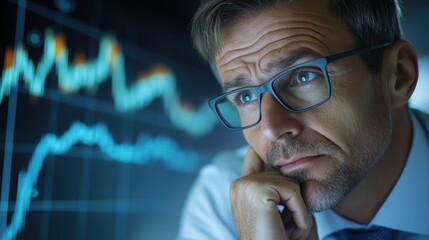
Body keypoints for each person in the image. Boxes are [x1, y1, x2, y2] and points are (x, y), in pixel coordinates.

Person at [178, 0, 429, 239]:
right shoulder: (221, 200)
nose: (271, 129)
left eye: (303, 76)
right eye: (245, 96)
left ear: (398, 75)